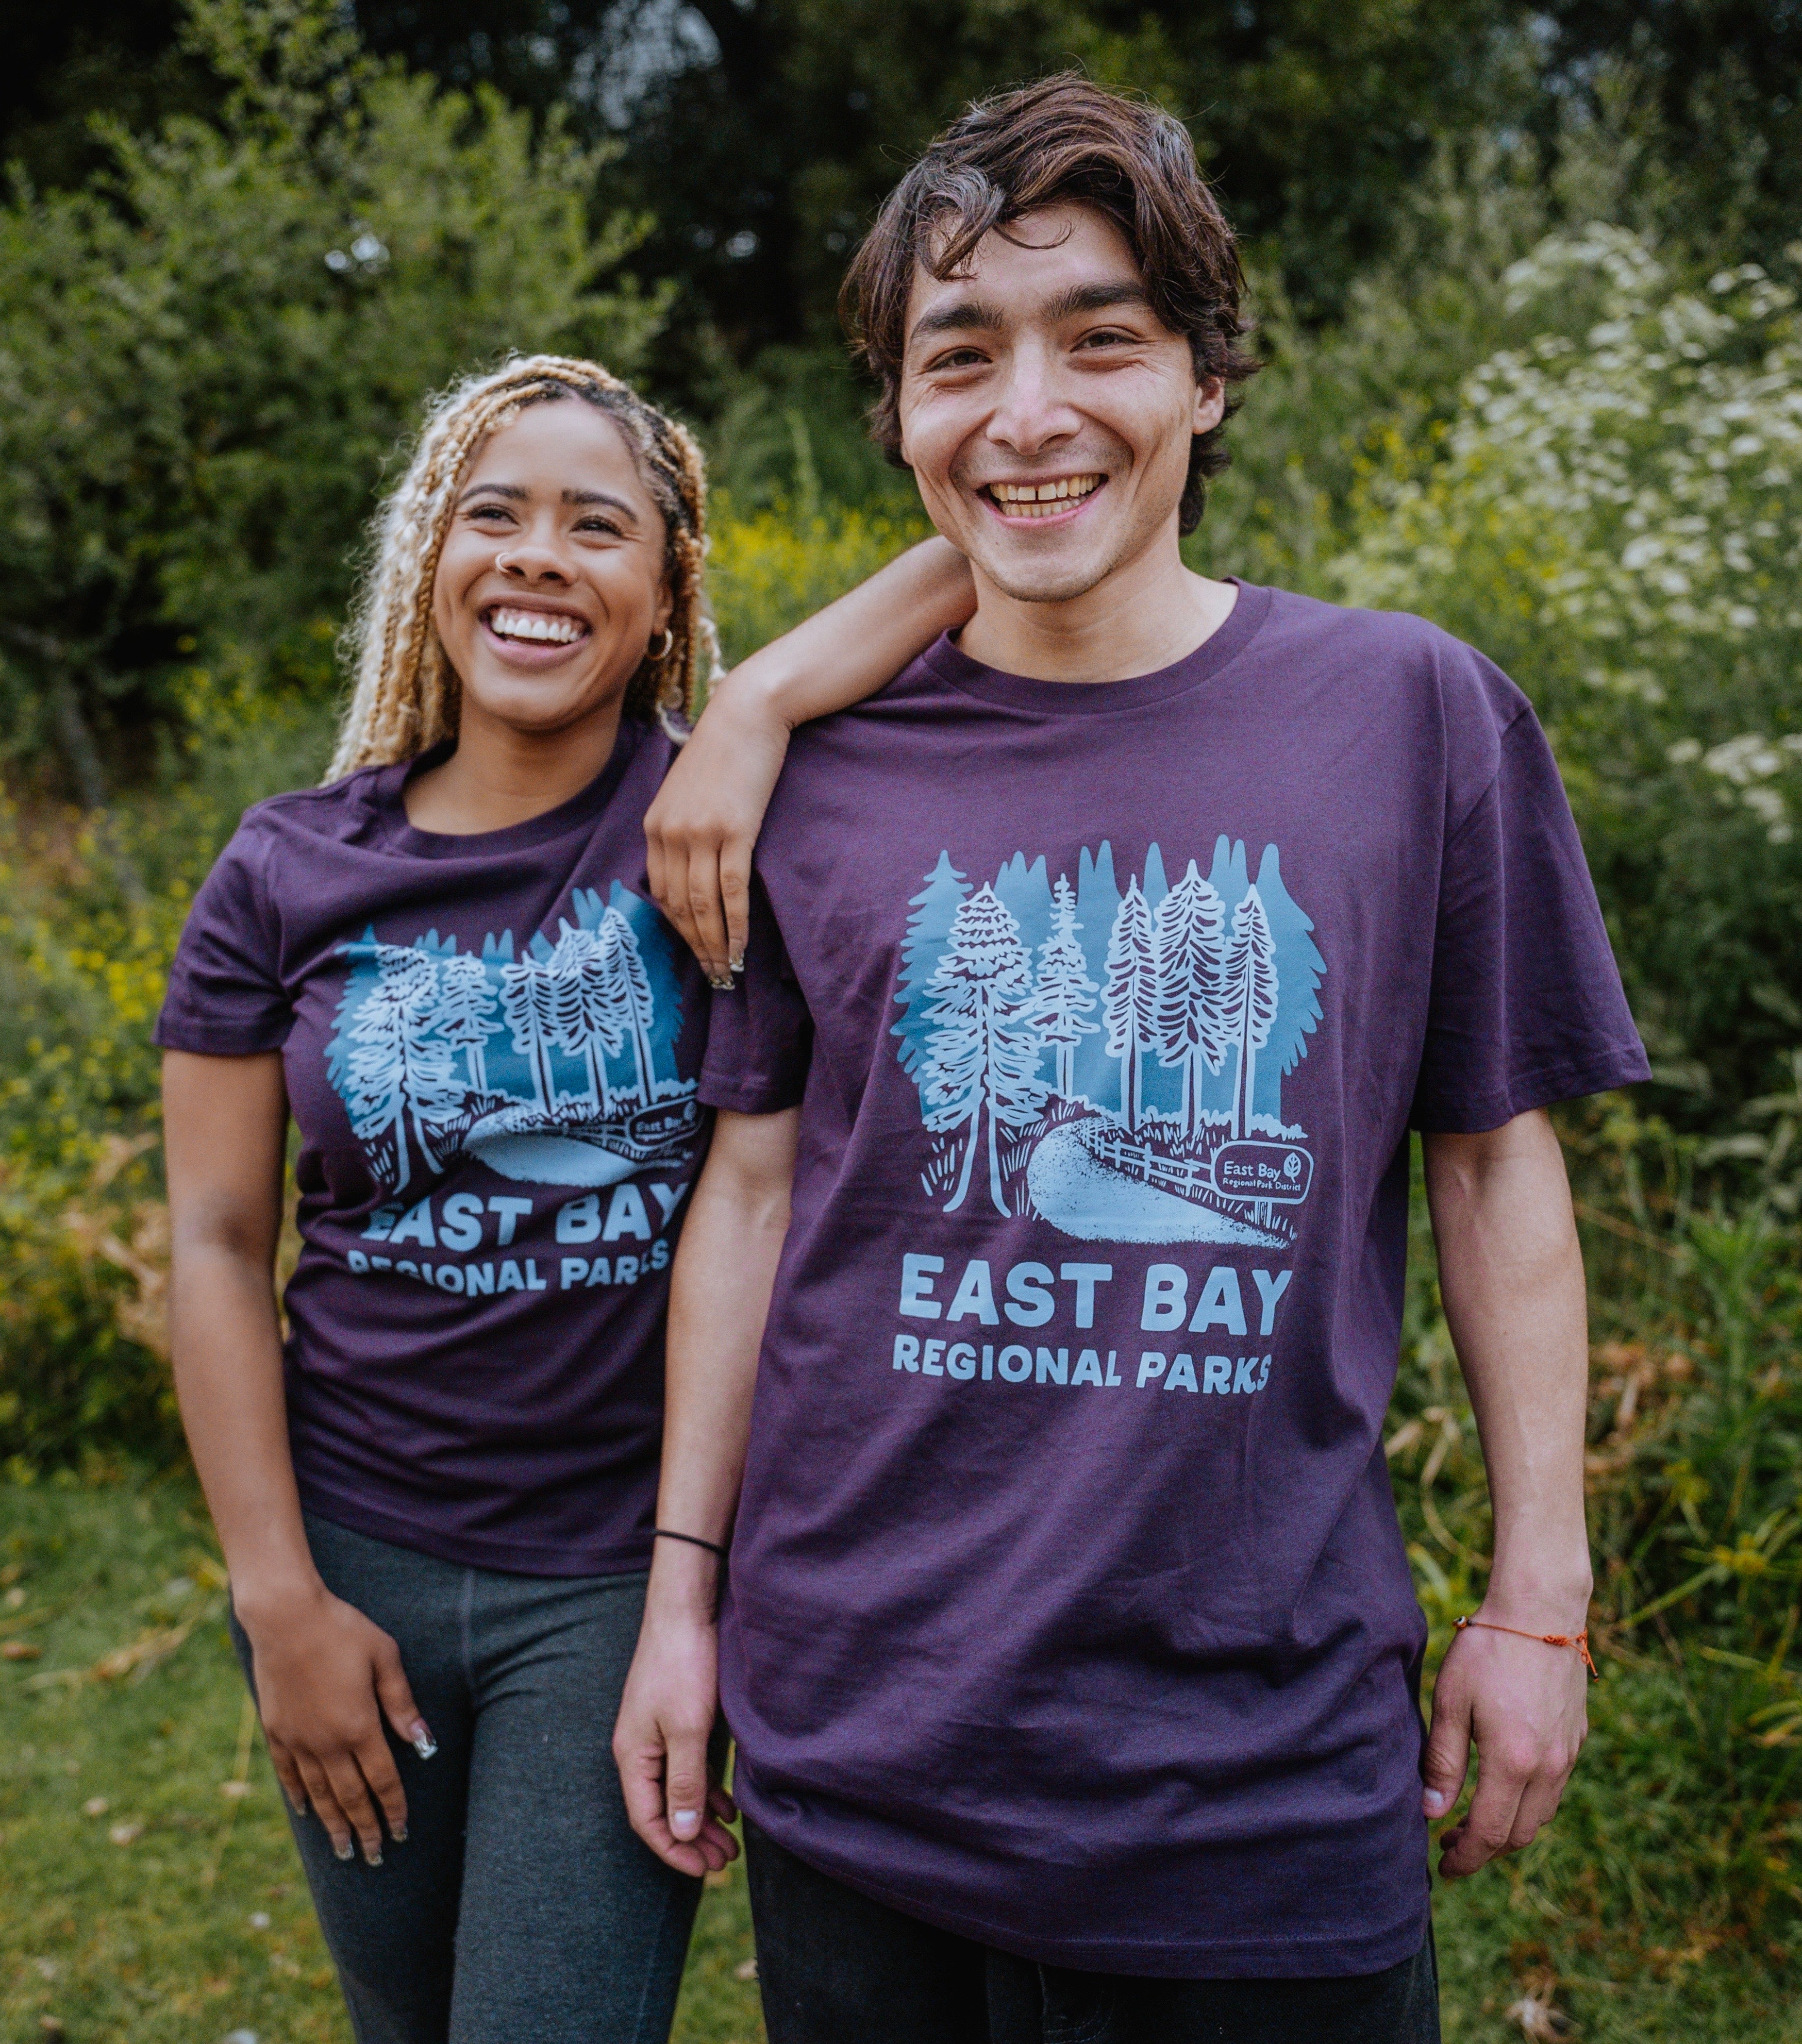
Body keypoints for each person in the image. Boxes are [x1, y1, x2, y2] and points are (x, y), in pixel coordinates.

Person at [616, 77, 1651, 2043]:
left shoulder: (1415, 713)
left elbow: (1494, 1159)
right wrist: (683, 1605)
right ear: (899, 416)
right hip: (861, 1754)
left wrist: (1543, 1598)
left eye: (1100, 339)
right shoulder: (805, 783)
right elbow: (748, 1196)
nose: (1028, 413)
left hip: (1267, 1785)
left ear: (1207, 379)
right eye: (960, 358)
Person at [156, 353, 973, 2044]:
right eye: (494, 515)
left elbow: (980, 540)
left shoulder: (715, 834)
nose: (538, 554)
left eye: (598, 527)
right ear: (429, 559)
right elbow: (220, 1245)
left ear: (667, 593)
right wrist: (277, 1599)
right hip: (351, 1553)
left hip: (622, 1578)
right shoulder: (286, 866)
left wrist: (751, 712)